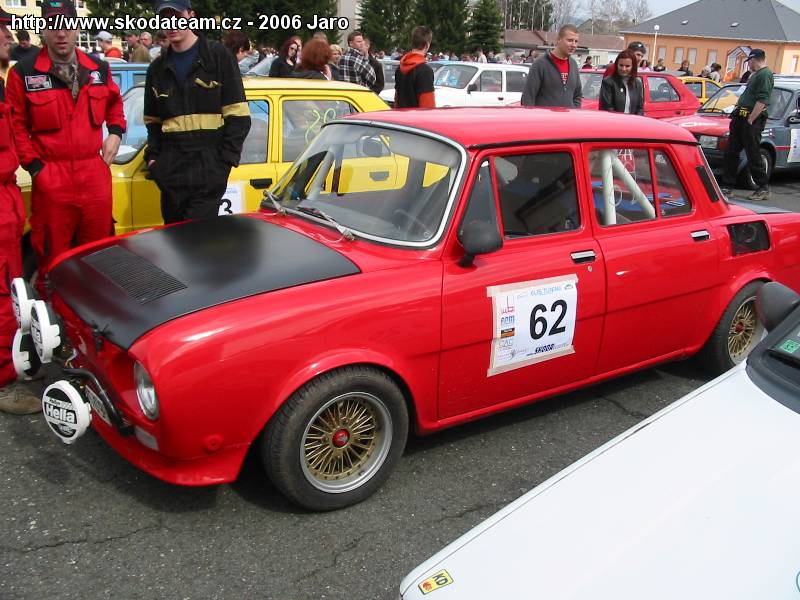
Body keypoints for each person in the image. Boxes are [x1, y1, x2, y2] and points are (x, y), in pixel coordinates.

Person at [6, 0, 125, 296]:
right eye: (53, 25)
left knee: (100, 257)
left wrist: (116, 132)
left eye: (67, 25)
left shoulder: (98, 68)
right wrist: (36, 168)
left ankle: (99, 316)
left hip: (93, 174)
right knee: (53, 260)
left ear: (77, 27)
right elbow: (15, 125)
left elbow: (115, 105)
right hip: (52, 177)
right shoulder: (24, 73)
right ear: (43, 29)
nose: (61, 33)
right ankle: (55, 318)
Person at [144, 0, 251, 224]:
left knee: (197, 241)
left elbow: (239, 117)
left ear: (191, 15)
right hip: (171, 177)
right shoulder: (156, 69)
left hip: (208, 174)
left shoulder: (218, 56)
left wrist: (223, 164)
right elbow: (152, 122)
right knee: (174, 242)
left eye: (176, 17)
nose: (171, 24)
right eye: (164, 19)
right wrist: (154, 161)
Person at [0, 8, 39, 414]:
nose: (9, 34)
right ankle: (3, 383)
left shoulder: (3, 83)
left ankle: (11, 365)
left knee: (10, 291)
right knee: (1, 296)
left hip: (7, 198)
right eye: (1, 28)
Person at [721, 49, 774, 201]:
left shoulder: (765, 74)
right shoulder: (756, 74)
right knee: (731, 151)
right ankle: (727, 185)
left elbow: (762, 99)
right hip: (741, 116)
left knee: (753, 152)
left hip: (751, 119)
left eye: (749, 61)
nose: (748, 64)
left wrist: (751, 118)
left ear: (754, 59)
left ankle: (763, 187)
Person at [521, 24, 582, 108]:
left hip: (568, 116)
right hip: (544, 116)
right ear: (558, 39)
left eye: (576, 41)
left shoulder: (573, 65)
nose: (574, 45)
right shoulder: (540, 64)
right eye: (570, 40)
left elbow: (577, 96)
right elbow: (528, 97)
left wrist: (574, 111)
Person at [394, 25, 435, 108]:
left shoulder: (399, 68)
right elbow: (427, 106)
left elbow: (396, 99)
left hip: (400, 115)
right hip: (416, 116)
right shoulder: (425, 71)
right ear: (427, 45)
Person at [599, 50, 643, 115]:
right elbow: (607, 107)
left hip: (633, 120)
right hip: (614, 120)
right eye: (621, 65)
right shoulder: (608, 82)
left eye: (627, 66)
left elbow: (640, 108)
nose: (623, 69)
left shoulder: (638, 83)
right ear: (617, 65)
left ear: (633, 66)